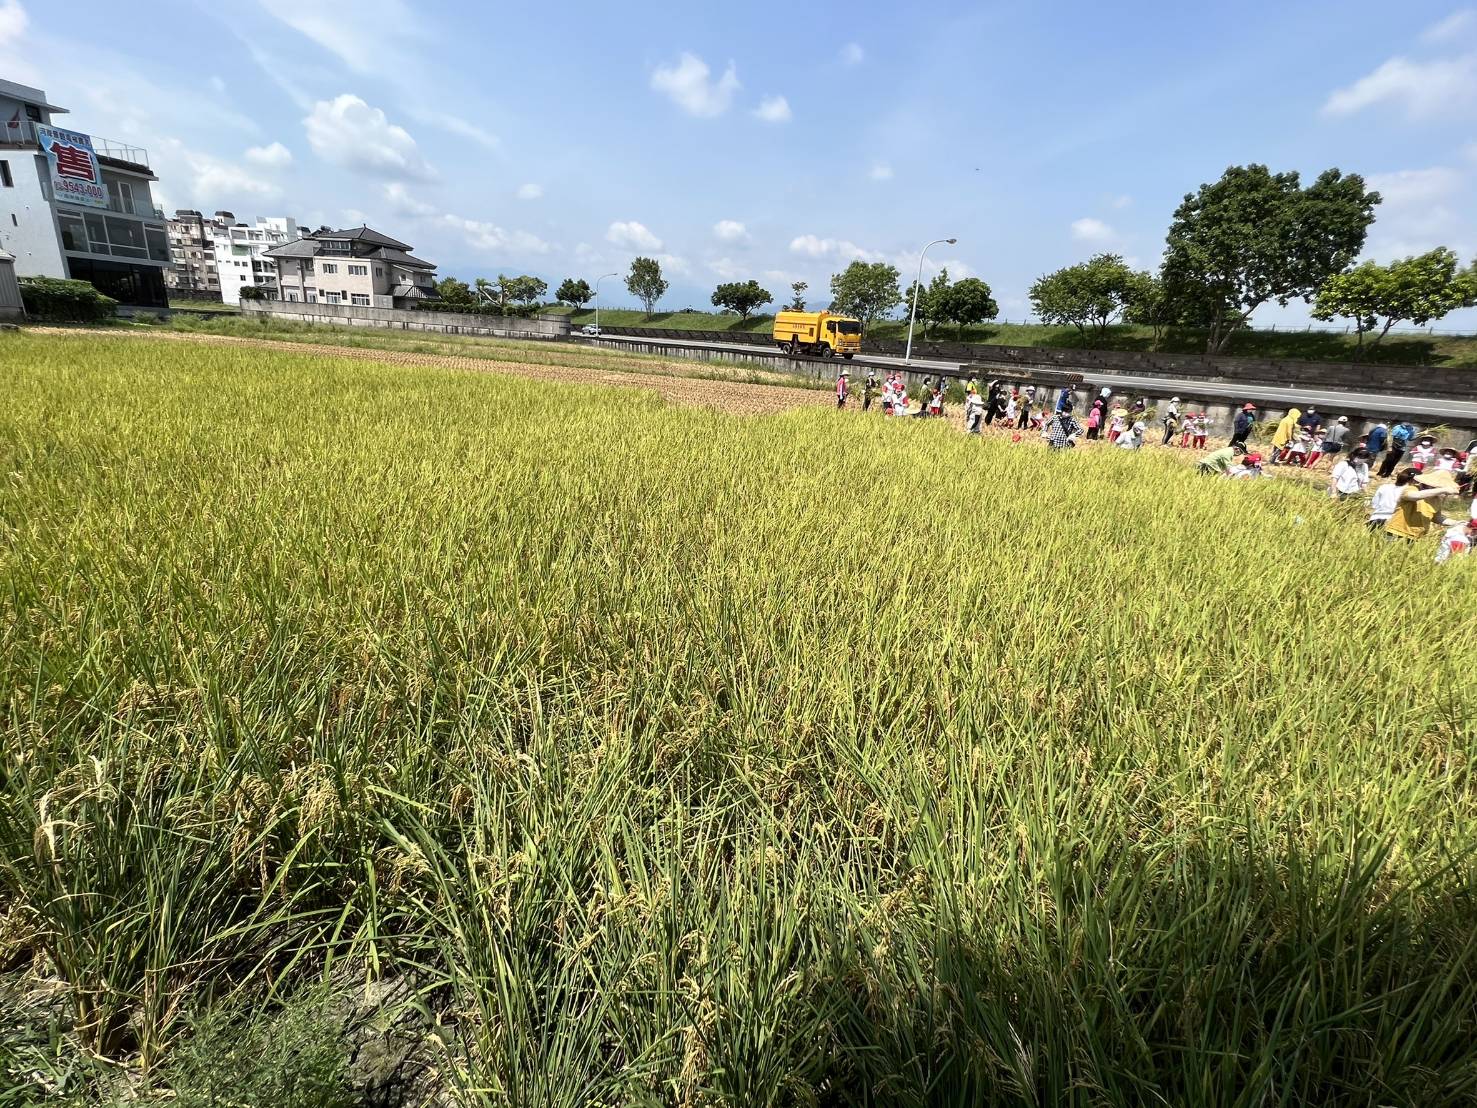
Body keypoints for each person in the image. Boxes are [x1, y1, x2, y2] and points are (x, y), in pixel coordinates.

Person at [1384, 470, 1460, 542]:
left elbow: (1437, 518)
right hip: (1396, 531)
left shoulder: (1436, 499)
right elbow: (1414, 496)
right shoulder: (1413, 489)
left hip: (1416, 536)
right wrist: (1442, 490)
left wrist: (1456, 523)